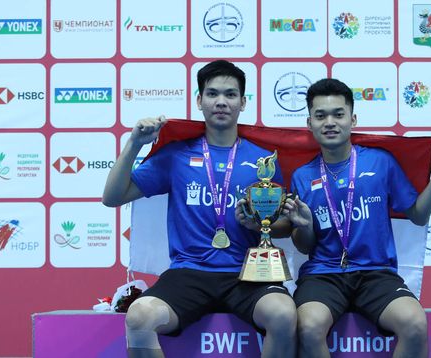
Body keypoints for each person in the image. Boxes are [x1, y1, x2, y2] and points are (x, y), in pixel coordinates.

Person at [102, 60, 297, 358]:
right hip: (188, 273)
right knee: (140, 317)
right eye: (212, 93)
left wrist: (257, 226)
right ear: (199, 100)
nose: (221, 101)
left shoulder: (263, 163)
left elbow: (282, 226)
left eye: (231, 94)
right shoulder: (176, 155)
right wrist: (134, 144)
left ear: (243, 103)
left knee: (284, 315)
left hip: (247, 275)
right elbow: (112, 197)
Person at [282, 78, 431, 358]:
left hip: (376, 273)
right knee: (309, 327)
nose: (330, 122)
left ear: (353, 118)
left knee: (415, 323)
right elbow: (304, 246)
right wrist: (305, 226)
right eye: (320, 116)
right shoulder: (302, 176)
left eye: (338, 113)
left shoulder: (379, 162)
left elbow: (418, 216)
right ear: (309, 123)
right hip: (324, 275)